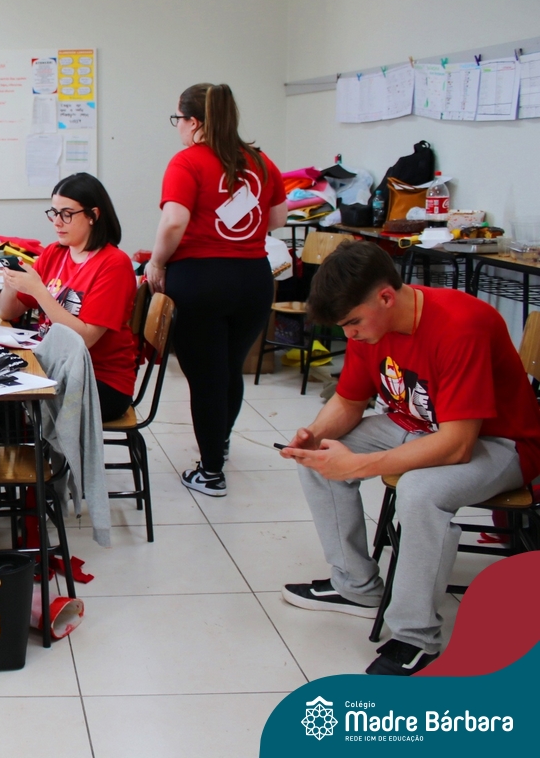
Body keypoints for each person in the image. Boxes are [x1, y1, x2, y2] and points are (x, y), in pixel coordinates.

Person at [279, 241, 540, 675]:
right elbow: (348, 401)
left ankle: (415, 636)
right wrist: (315, 434)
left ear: (386, 297)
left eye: (353, 323)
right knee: (319, 459)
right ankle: (356, 586)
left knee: (419, 491)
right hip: (419, 423)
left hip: (500, 442)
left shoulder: (461, 325)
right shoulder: (370, 326)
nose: (349, 335)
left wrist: (358, 465)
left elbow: (457, 445)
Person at [145, 83, 288, 497]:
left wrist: (157, 262)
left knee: (205, 378)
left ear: (194, 122)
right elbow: (277, 218)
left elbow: (174, 221)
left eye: (178, 119)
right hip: (253, 280)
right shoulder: (260, 161)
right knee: (229, 368)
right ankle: (219, 444)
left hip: (201, 280)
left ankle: (210, 473)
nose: (178, 127)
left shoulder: (187, 161)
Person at [0, 172, 138, 421]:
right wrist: (11, 280)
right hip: (53, 366)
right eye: (54, 213)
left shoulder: (114, 264)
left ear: (93, 215)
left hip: (99, 380)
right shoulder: (55, 252)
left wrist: (39, 291)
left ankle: (38, 445)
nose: (57, 223)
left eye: (67, 214)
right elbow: (8, 312)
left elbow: (84, 339)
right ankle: (34, 444)